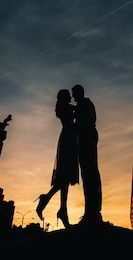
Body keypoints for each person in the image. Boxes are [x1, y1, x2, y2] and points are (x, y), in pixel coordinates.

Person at [35, 89, 79, 228]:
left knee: (64, 180)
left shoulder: (64, 107)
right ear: (64, 98)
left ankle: (60, 209)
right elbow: (72, 120)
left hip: (69, 139)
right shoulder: (64, 108)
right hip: (68, 140)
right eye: (68, 96)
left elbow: (76, 110)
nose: (71, 97)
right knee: (64, 177)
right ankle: (54, 205)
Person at [72, 84, 103, 226]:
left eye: (74, 93)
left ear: (80, 93)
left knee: (90, 173)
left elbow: (90, 119)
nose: (72, 97)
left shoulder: (87, 104)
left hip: (88, 137)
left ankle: (94, 212)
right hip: (83, 138)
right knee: (86, 173)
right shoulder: (80, 106)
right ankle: (90, 211)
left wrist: (77, 126)